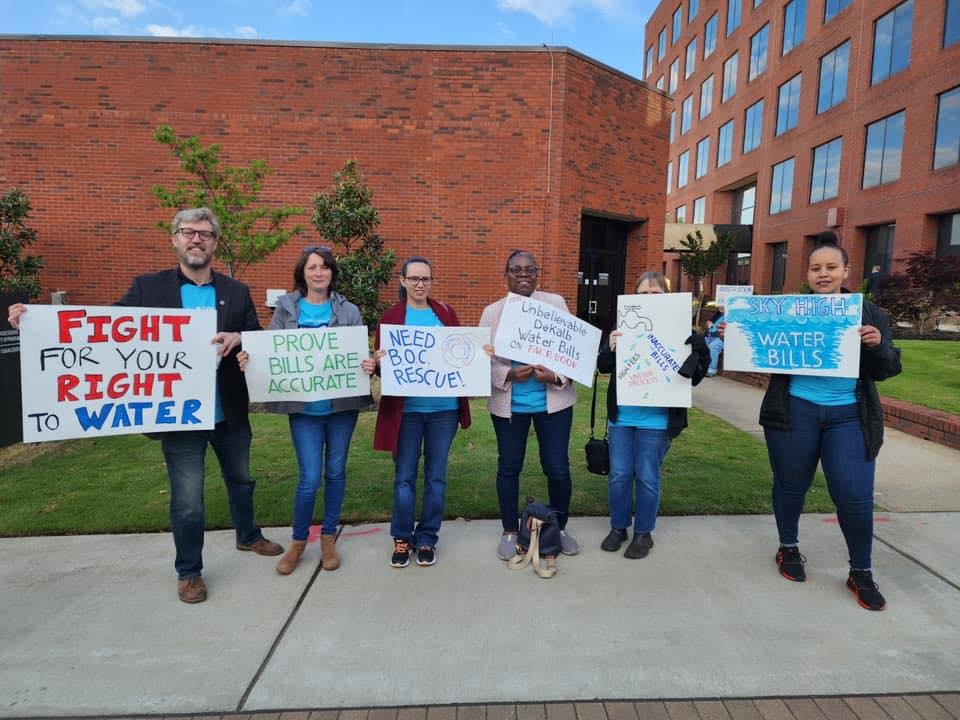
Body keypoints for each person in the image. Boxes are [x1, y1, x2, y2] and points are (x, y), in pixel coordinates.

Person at [9, 207, 284, 604]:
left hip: (229, 412)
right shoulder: (148, 289)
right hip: (179, 415)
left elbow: (255, 339)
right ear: (174, 239)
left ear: (215, 243)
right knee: (188, 499)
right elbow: (97, 328)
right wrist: (36, 318)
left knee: (241, 479)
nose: (196, 240)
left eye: (205, 234)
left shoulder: (235, 292)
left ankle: (248, 536)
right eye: (188, 233)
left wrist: (239, 339)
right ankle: (189, 571)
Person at [754, 242, 902, 611]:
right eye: (816, 268)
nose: (823, 274)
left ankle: (861, 570)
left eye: (831, 267)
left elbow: (886, 369)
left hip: (849, 415)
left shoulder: (867, 313)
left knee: (854, 495)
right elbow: (763, 350)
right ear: (807, 275)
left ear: (846, 272)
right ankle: (788, 548)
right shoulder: (788, 311)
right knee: (790, 486)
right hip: (794, 411)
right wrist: (737, 336)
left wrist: (878, 345)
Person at [239, 246, 375, 576]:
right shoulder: (287, 309)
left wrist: (367, 363)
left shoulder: (349, 310)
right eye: (312, 267)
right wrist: (250, 360)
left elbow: (357, 353)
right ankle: (299, 541)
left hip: (341, 407)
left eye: (325, 267)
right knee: (310, 477)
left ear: (332, 273)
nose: (319, 273)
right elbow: (273, 351)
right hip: (304, 409)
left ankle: (328, 538)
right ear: (302, 272)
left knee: (336, 472)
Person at [597, 271, 710, 558]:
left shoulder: (680, 331)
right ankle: (618, 527)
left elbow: (696, 376)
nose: (649, 299)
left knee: (647, 476)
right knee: (620, 474)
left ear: (666, 297)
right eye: (643, 294)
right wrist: (610, 348)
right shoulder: (622, 326)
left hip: (658, 419)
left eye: (656, 294)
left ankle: (644, 533)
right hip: (623, 415)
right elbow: (604, 366)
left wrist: (700, 348)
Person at [480, 250, 580, 561]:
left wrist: (556, 375)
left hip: (554, 405)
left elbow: (574, 352)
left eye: (529, 269)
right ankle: (510, 529)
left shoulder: (555, 305)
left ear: (537, 274)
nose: (523, 274)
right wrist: (507, 373)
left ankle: (558, 528)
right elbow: (480, 363)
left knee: (558, 467)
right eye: (516, 269)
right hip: (510, 407)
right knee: (509, 467)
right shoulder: (492, 313)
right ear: (506, 275)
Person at [372, 256, 471, 568]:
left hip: (444, 410)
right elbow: (380, 371)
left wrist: (479, 355)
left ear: (431, 281)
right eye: (413, 278)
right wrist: (378, 361)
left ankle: (427, 536)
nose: (419, 284)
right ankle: (402, 537)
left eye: (425, 279)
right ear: (402, 281)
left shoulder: (445, 313)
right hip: (407, 413)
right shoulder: (390, 319)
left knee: (436, 477)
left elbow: (461, 355)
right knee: (404, 478)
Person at [704, 305, 725, 377]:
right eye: (720, 306)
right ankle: (699, 367)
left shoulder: (731, 316)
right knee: (699, 342)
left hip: (723, 339)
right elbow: (709, 321)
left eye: (722, 306)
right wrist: (708, 323)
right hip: (710, 336)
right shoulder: (718, 314)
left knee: (713, 346)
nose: (720, 307)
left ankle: (711, 370)